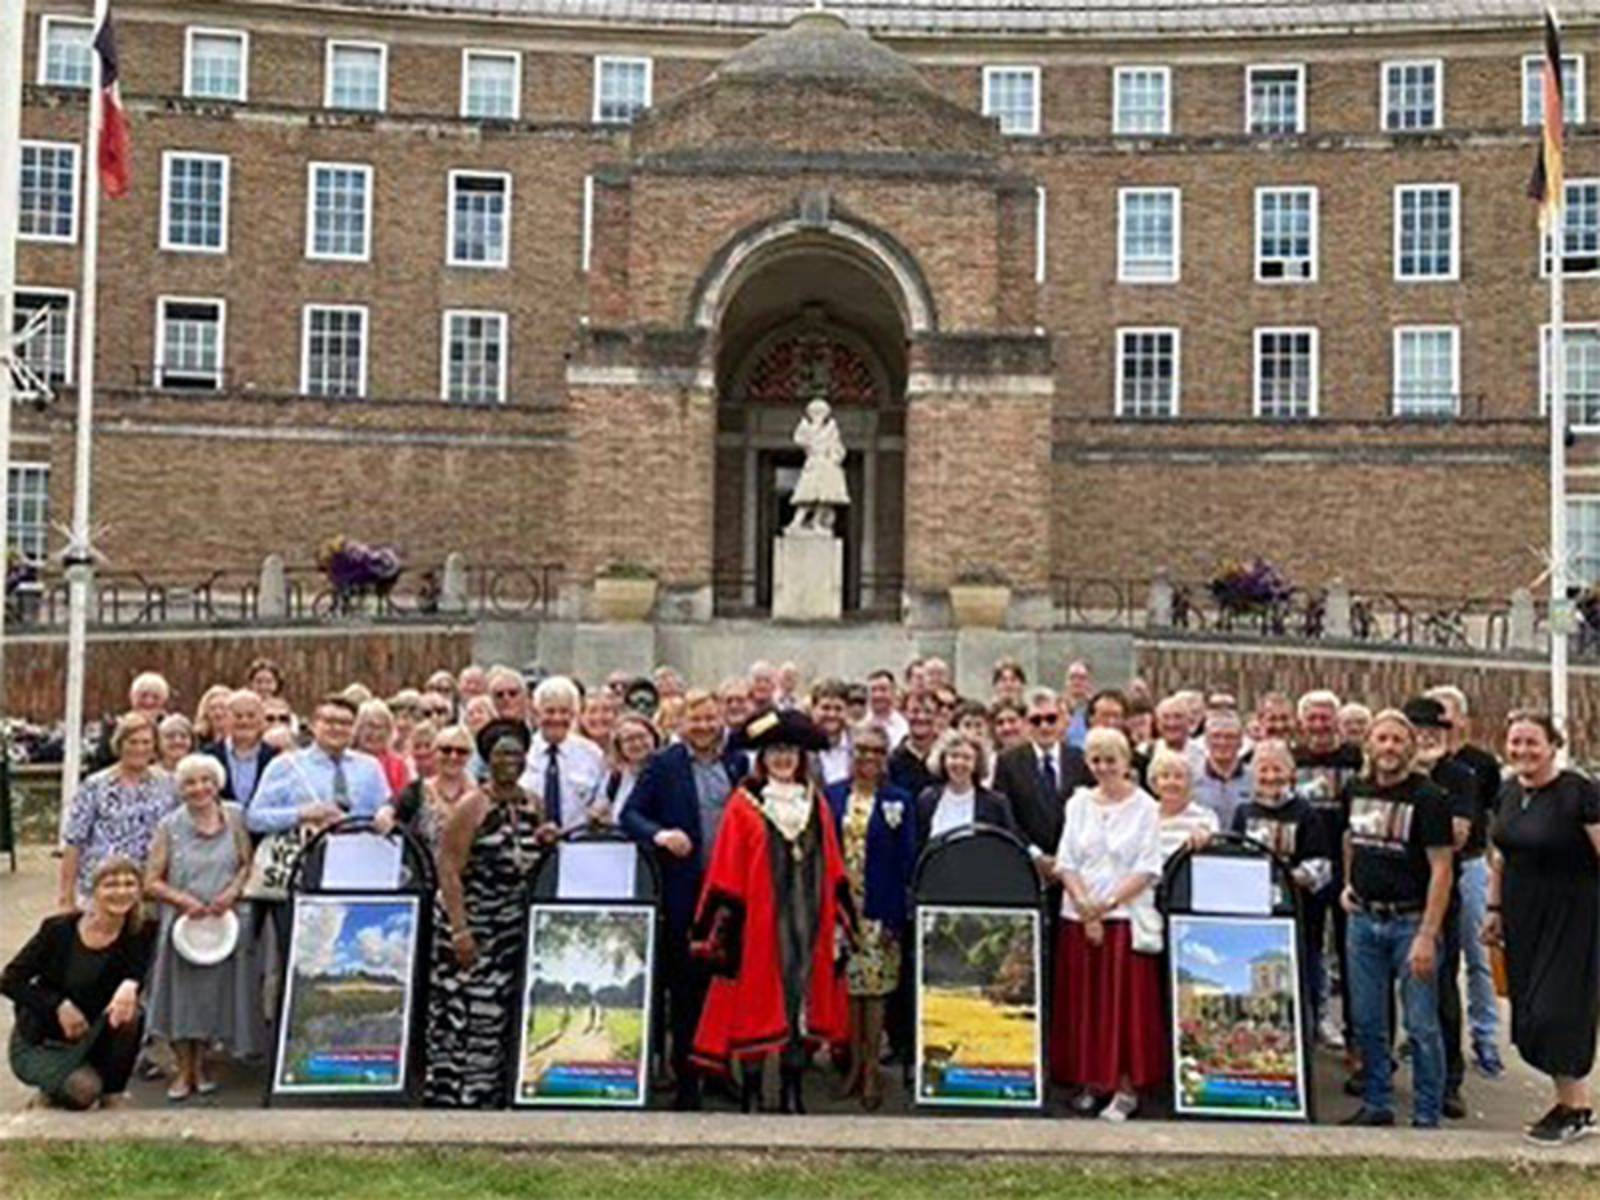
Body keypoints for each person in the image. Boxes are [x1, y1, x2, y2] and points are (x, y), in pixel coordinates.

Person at [691, 710, 851, 1114]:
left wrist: (843, 925)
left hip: (808, 925)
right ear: (762, 756)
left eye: (790, 751)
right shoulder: (743, 806)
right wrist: (720, 937)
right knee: (755, 1008)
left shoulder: (817, 804)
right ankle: (753, 1093)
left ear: (802, 757)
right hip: (759, 929)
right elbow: (725, 871)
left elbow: (833, 865)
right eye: (775, 750)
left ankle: (792, 1093)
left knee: (800, 1006)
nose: (783, 759)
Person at [620, 689, 746, 1110]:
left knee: (724, 989)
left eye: (711, 719)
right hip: (684, 897)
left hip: (730, 895)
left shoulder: (737, 763)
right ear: (682, 723)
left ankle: (720, 1072)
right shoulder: (663, 765)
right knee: (686, 992)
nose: (705, 727)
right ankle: (686, 1082)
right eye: (697, 719)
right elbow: (630, 815)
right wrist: (661, 835)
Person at [425, 720, 559, 1107]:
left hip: (510, 928)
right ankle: (458, 1096)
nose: (510, 762)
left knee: (498, 1016)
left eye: (516, 754)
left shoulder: (532, 803)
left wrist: (549, 839)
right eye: (501, 753)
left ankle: (493, 1092)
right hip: (471, 923)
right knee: (464, 1013)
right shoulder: (472, 805)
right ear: (487, 759)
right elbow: (448, 870)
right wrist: (460, 931)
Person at [1485, 713, 1600, 1144]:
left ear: (1554, 745)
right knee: (1531, 1013)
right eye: (1515, 743)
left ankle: (1577, 1106)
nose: (1522, 751)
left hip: (1573, 916)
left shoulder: (1579, 793)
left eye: (1533, 743)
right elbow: (1501, 855)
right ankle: (1570, 1104)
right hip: (1522, 915)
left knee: (1560, 1012)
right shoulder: (1509, 792)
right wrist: (1494, 908)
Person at [1340, 709, 1454, 1129]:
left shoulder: (1428, 797)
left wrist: (1428, 932)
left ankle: (1427, 1114)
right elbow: (1350, 838)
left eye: (1397, 740)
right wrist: (1349, 883)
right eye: (1381, 739)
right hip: (1363, 921)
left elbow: (1442, 867)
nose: (1389, 748)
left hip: (1411, 923)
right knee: (1369, 1021)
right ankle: (1377, 1103)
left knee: (1421, 1025)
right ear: (1369, 744)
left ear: (1411, 746)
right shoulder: (1356, 788)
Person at [1050, 727, 1164, 1120]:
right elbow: (1066, 860)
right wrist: (1084, 905)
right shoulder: (1078, 803)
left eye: (1110, 759)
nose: (1103, 767)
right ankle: (1090, 1081)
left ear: (1126, 762)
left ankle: (1124, 1088)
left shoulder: (1146, 807)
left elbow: (1149, 867)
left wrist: (1104, 905)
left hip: (1123, 919)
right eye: (1096, 760)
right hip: (1077, 917)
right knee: (1084, 1003)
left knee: (1120, 1008)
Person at [143, 755, 261, 1100]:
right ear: (180, 789)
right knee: (183, 997)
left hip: (225, 923)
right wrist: (183, 901)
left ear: (217, 782)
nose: (199, 788)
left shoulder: (235, 816)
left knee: (216, 995)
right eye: (190, 783)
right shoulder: (169, 825)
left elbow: (247, 864)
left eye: (205, 780)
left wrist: (232, 893)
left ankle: (205, 1063)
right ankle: (183, 1070)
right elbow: (151, 881)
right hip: (184, 925)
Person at [3, 856, 154, 1110]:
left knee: (132, 1015)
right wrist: (58, 1005)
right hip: (44, 1040)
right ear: (93, 890)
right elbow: (10, 980)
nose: (121, 892)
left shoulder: (141, 931)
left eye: (129, 884)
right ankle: (50, 1090)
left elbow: (137, 969)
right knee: (84, 1093)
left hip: (94, 1037)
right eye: (110, 885)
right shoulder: (58, 930)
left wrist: (130, 984)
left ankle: (113, 1094)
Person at [824, 723, 916, 1110]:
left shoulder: (899, 800)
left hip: (879, 907)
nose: (868, 758)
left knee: (876, 990)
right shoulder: (833, 796)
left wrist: (898, 916)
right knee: (850, 989)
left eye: (877, 752)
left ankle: (872, 1071)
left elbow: (906, 859)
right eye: (861, 750)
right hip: (842, 908)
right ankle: (854, 1065)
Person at [1426, 684, 1505, 1078]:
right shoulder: (1419, 763)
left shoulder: (1481, 764)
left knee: (1476, 957)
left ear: (1461, 719)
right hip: (1426, 868)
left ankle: (1485, 1035)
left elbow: (1493, 814)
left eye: (1445, 713)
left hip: (1470, 864)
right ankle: (1423, 1033)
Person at [60, 713, 178, 910]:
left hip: (149, 892)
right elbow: (74, 842)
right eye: (132, 742)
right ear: (120, 744)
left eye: (146, 742)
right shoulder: (95, 785)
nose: (139, 748)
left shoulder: (169, 784)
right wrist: (66, 897)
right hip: (101, 889)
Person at [248, 695, 391, 837]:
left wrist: (386, 813)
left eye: (345, 723)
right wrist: (302, 814)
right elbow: (254, 819)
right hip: (307, 853)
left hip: (360, 851)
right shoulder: (285, 765)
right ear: (313, 725)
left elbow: (386, 808)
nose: (337, 728)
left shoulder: (370, 767)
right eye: (329, 721)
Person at [992, 688, 1086, 882]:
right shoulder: (1008, 762)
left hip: (1074, 867)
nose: (1044, 726)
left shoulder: (1079, 759)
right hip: (1025, 865)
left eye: (1051, 719)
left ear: (1062, 720)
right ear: (1026, 724)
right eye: (1036, 720)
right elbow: (1005, 815)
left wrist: (1065, 856)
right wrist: (1035, 855)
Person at [519, 675, 607, 831]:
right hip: (530, 842)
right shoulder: (523, 751)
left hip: (576, 844)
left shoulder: (592, 754)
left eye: (564, 711)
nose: (557, 718)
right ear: (536, 713)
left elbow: (600, 801)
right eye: (550, 711)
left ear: (574, 714)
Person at [378, 723, 475, 852]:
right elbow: (393, 808)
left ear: (469, 756)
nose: (453, 756)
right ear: (435, 752)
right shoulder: (417, 791)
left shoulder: (479, 794)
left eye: (461, 751)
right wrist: (386, 812)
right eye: (446, 750)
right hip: (424, 868)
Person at [913, 729, 1015, 850]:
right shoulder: (927, 799)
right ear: (943, 760)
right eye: (954, 756)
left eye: (967, 758)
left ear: (977, 764)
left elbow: (1007, 847)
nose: (959, 763)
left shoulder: (995, 804)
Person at [202, 690, 277, 805]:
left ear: (262, 720)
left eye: (251, 715)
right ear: (226, 719)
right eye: (238, 716)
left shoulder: (275, 757)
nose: (244, 721)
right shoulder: (207, 756)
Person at [1150, 748, 1217, 863]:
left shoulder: (1205, 817)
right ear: (1155, 783)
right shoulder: (1144, 815)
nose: (1171, 782)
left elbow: (1214, 857)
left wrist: (1207, 843)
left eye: (1179, 777)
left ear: (1189, 783)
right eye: (1165, 776)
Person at [1191, 709, 1251, 831]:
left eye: (1230, 737)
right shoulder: (1190, 780)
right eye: (1216, 736)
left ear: (1240, 742)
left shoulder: (1256, 780)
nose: (1222, 742)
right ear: (1206, 741)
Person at [603, 712, 660, 823]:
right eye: (629, 739)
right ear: (619, 746)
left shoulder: (667, 774)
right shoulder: (616, 778)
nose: (637, 744)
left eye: (642, 737)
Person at [354, 699, 412, 795]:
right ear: (358, 728)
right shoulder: (346, 760)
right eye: (369, 725)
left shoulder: (398, 765)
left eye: (380, 727)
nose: (374, 733)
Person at [887, 693, 938, 797]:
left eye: (928, 712)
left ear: (937, 716)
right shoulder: (893, 760)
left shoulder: (946, 758)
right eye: (915, 711)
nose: (921, 717)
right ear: (905, 714)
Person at [811, 679, 854, 788]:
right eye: (825, 708)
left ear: (847, 711)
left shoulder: (859, 745)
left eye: (838, 709)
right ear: (813, 709)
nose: (832, 714)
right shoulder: (803, 748)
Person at [865, 669, 909, 747]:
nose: (878, 695)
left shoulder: (904, 728)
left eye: (883, 690)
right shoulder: (861, 724)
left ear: (893, 692)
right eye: (873, 690)